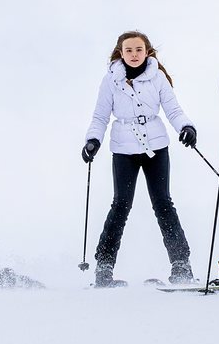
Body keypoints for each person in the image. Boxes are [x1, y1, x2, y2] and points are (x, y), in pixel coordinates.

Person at [82, 31, 198, 287]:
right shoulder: (110, 81)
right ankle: (104, 268)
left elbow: (173, 109)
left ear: (147, 52)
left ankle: (181, 265)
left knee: (163, 203)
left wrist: (186, 127)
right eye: (129, 50)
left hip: (156, 147)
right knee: (121, 204)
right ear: (120, 53)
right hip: (124, 149)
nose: (134, 55)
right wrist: (93, 140)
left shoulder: (157, 78)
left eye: (138, 50)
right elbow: (100, 116)